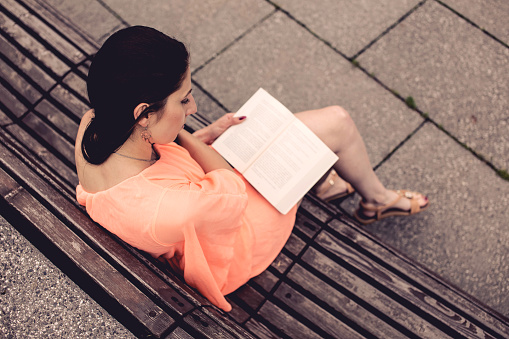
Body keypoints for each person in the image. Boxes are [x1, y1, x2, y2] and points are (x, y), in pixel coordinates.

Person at [75, 26, 428, 312]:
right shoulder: (167, 204)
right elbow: (231, 188)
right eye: (184, 99)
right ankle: (374, 200)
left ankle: (325, 184)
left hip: (200, 209)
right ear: (143, 113)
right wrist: (190, 138)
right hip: (231, 238)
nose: (194, 107)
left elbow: (158, 169)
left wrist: (206, 134)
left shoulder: (95, 124)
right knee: (336, 124)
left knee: (301, 137)